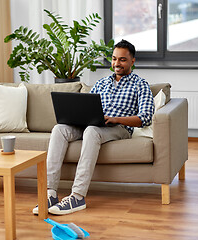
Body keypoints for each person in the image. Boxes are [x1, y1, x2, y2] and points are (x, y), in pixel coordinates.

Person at [33, 39, 155, 215]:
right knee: (59, 129)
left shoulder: (140, 84)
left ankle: (77, 196)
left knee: (92, 131)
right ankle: (50, 193)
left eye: (122, 59)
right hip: (92, 123)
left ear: (132, 61)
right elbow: (86, 106)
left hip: (118, 127)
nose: (116, 63)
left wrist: (115, 119)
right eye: (114, 59)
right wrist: (79, 116)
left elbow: (145, 118)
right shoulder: (102, 83)